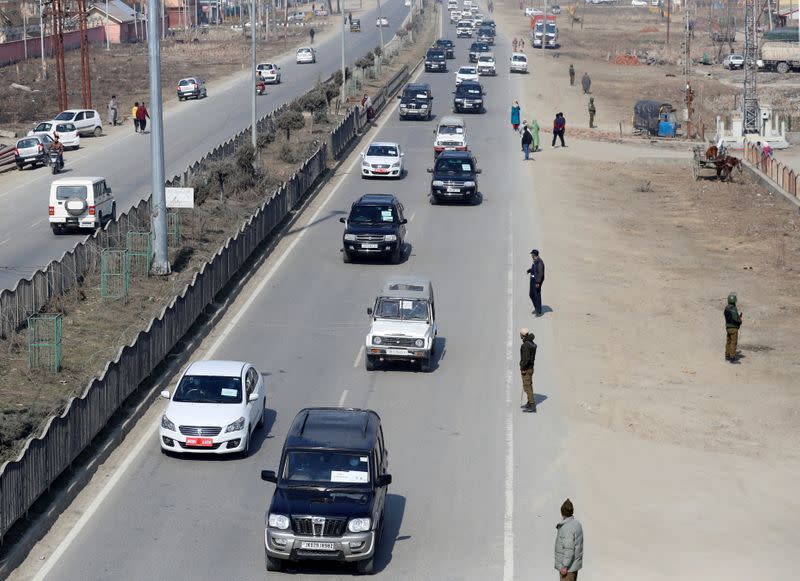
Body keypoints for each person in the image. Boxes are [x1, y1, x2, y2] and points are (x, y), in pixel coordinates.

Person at [554, 499, 584, 580]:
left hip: (567, 569)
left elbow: (569, 549)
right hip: (573, 566)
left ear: (562, 512)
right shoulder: (576, 524)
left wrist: (564, 566)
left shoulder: (567, 528)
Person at [519, 329, 537, 413]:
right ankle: (529, 402)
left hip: (527, 368)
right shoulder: (532, 343)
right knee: (529, 384)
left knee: (527, 386)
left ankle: (532, 405)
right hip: (531, 368)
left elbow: (526, 359)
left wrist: (523, 368)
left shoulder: (526, 345)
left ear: (523, 335)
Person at [724, 292, 742, 362]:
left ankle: (727, 355)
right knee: (733, 342)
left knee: (728, 341)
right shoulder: (733, 309)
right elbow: (735, 319)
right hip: (733, 328)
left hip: (728, 327)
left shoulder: (726, 308)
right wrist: (740, 320)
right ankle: (732, 356)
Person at [526, 249, 545, 315]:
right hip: (533, 280)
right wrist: (530, 270)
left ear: (534, 255)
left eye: (532, 254)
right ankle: (537, 307)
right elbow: (535, 269)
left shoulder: (540, 262)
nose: (531, 255)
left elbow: (540, 273)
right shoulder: (535, 260)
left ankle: (538, 310)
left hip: (536, 281)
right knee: (531, 294)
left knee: (537, 295)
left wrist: (538, 282)